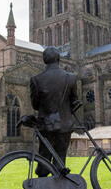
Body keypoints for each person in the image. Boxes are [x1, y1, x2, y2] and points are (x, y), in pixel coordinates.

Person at [30, 47, 78, 177]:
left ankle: (41, 178)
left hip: (46, 125)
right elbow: (75, 101)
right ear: (58, 59)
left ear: (44, 61)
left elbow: (35, 105)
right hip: (65, 124)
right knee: (60, 158)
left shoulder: (36, 80)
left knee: (44, 159)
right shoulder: (71, 78)